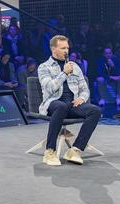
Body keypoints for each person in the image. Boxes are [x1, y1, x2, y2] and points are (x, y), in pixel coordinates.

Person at [37, 35, 102, 166]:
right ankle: (50, 151)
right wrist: (64, 73)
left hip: (72, 104)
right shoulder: (44, 67)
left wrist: (82, 98)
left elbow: (85, 88)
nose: (66, 51)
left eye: (67, 47)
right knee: (60, 106)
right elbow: (49, 88)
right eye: (62, 48)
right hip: (53, 103)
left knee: (95, 111)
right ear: (53, 49)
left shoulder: (75, 66)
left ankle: (75, 150)